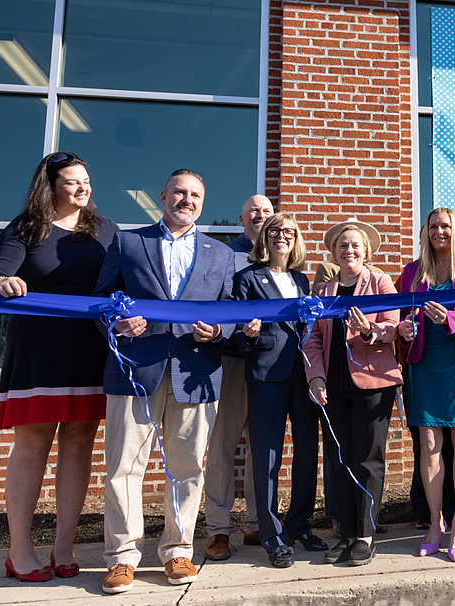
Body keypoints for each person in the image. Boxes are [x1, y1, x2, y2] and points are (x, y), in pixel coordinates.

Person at [92, 169, 237, 593]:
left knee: (187, 467)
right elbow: (102, 301)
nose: (186, 199)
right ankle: (121, 558)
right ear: (163, 195)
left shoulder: (221, 253)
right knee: (123, 467)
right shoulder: (129, 241)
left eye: (195, 194)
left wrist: (219, 332)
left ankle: (178, 552)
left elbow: (228, 311)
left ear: (201, 203)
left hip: (196, 373)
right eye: (179, 192)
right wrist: (117, 324)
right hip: (135, 370)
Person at [0, 152, 118, 582]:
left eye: (87, 180)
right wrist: (0, 282)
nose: (83, 188)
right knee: (33, 446)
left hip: (89, 351)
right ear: (50, 185)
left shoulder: (106, 230)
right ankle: (19, 551)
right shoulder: (26, 228)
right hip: (37, 351)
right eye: (73, 181)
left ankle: (63, 546)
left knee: (79, 445)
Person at [304, 220, 402, 566]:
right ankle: (346, 535)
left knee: (368, 460)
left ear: (366, 251)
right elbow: (312, 339)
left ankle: (365, 535)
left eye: (355, 245)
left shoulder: (380, 282)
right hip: (332, 385)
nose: (349, 251)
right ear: (334, 252)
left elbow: (393, 328)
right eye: (342, 245)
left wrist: (369, 330)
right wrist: (315, 377)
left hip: (372, 383)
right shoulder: (323, 292)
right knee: (340, 461)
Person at [233, 212, 326, 568]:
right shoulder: (247, 278)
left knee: (307, 452)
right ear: (265, 238)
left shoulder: (304, 281)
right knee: (268, 457)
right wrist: (248, 335)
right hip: (266, 375)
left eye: (288, 231)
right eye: (274, 231)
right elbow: (235, 334)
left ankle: (299, 524)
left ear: (296, 238)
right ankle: (272, 536)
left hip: (303, 376)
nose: (281, 236)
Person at [398, 207, 455, 563]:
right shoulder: (411, 271)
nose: (439, 232)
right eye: (433, 226)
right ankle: (435, 523)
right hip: (424, 362)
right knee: (428, 442)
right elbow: (402, 315)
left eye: (445, 226)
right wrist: (405, 330)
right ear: (426, 232)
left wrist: (450, 318)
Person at [204, 194, 273, 559]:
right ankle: (217, 529)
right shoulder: (224, 256)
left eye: (266, 211)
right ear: (242, 219)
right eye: (253, 211)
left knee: (262, 448)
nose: (260, 215)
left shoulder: (284, 260)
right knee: (222, 447)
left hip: (270, 365)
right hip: (232, 360)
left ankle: (257, 524)